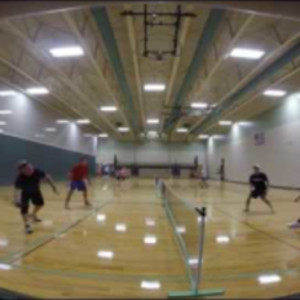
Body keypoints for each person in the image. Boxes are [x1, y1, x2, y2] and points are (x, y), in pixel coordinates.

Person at [14, 160, 58, 234]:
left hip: (36, 191)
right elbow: (17, 189)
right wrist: (16, 199)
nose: (29, 169)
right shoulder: (20, 177)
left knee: (40, 204)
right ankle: (27, 225)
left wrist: (53, 186)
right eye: (25, 168)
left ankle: (33, 214)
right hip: (25, 193)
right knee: (24, 209)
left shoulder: (37, 171)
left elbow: (47, 177)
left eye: (29, 166)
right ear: (22, 171)